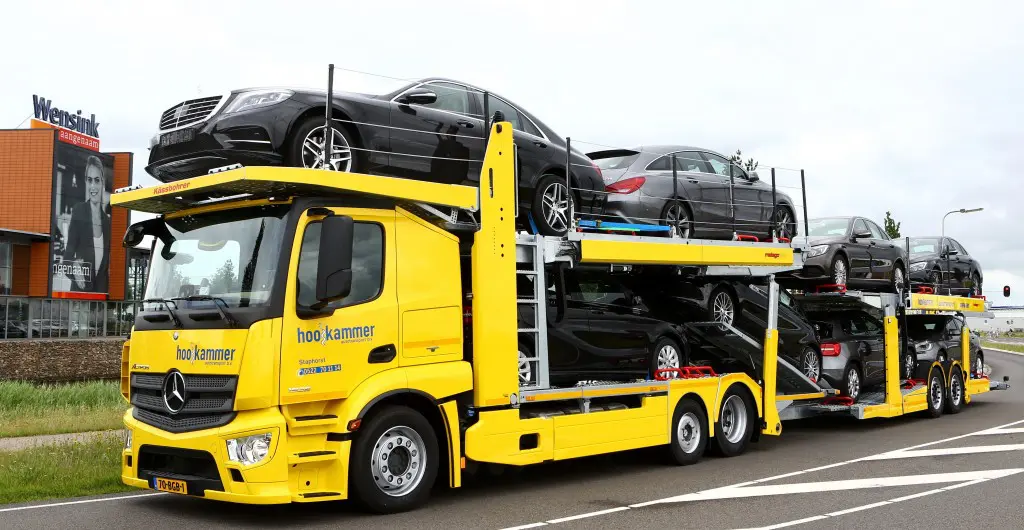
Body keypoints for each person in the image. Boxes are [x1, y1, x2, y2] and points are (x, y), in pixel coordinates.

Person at [62, 155, 111, 293]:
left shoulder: (108, 222)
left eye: (97, 180)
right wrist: (74, 269)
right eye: (89, 180)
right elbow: (67, 259)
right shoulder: (79, 211)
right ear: (86, 182)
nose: (93, 186)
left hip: (100, 299)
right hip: (79, 297)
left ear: (102, 183)